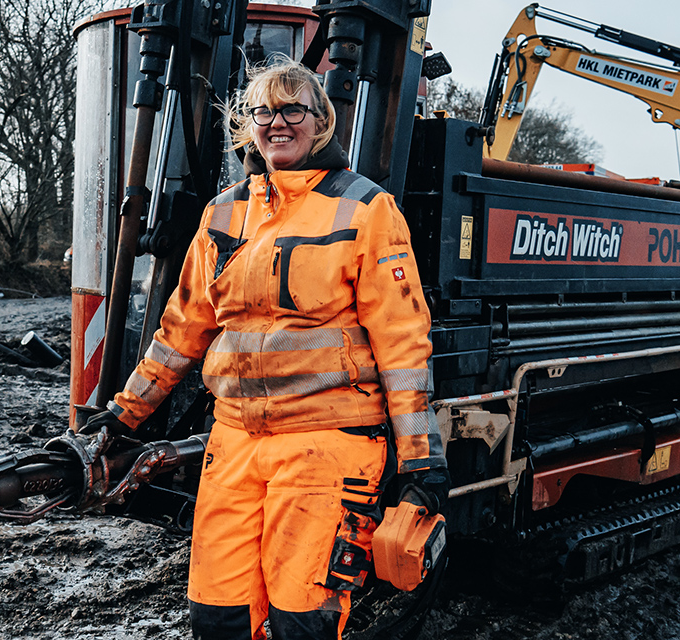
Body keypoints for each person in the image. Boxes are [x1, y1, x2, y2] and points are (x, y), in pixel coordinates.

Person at [79, 58, 448, 640]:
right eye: (262, 112)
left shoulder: (366, 209)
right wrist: (126, 412)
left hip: (326, 445)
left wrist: (422, 457)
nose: (277, 123)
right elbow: (182, 329)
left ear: (320, 121)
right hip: (234, 442)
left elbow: (402, 345)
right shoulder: (224, 212)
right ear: (246, 125)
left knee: (302, 621)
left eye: (292, 109)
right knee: (216, 616)